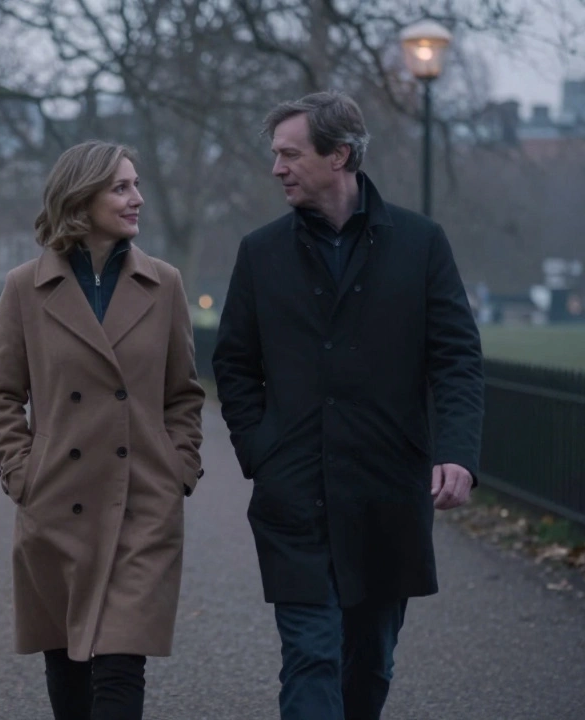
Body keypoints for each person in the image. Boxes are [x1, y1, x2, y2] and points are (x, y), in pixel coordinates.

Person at [211, 91, 484, 720]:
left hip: (386, 493)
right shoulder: (261, 252)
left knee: (371, 664)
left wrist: (457, 453)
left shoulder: (420, 244)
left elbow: (457, 360)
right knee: (309, 655)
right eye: (275, 154)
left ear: (339, 155)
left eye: (289, 153)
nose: (276, 167)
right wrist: (261, 451)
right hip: (294, 494)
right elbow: (233, 363)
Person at [0, 140, 205, 720]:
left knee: (122, 664)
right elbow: (0, 393)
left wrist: (179, 467)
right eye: (121, 187)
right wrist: (21, 472)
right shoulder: (26, 288)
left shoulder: (165, 284)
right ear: (81, 198)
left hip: (143, 503)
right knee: (70, 669)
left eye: (137, 185)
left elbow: (183, 394)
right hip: (58, 502)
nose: (138, 199)